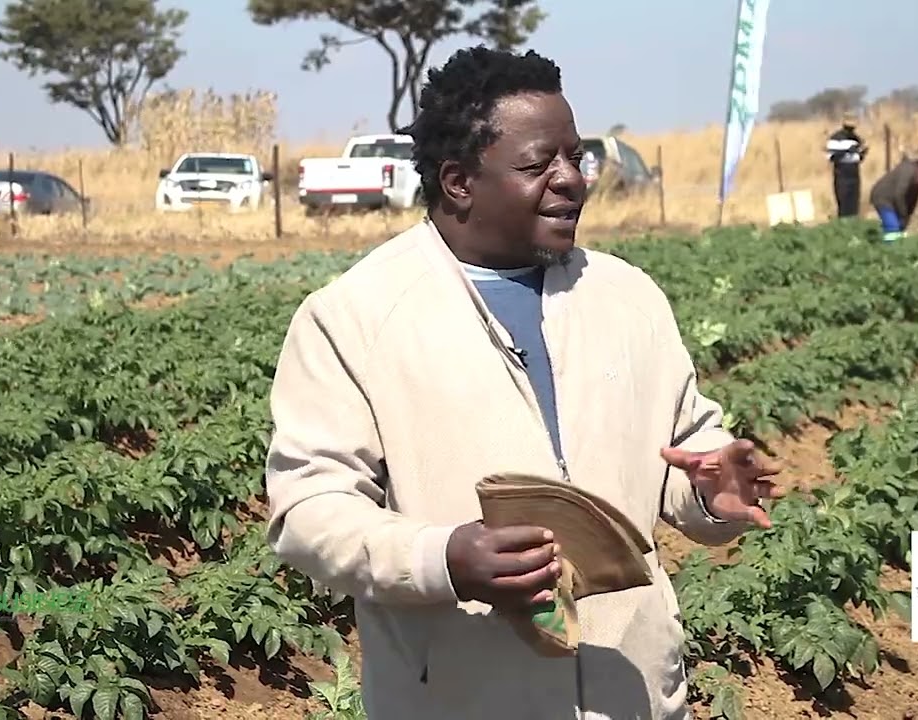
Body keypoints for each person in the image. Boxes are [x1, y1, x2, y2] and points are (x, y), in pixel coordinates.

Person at [263, 45, 783, 720]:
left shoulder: (627, 296)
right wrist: (443, 559)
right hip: (460, 698)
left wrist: (713, 488)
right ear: (458, 182)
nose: (572, 180)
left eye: (577, 156)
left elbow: (682, 452)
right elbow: (309, 513)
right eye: (541, 164)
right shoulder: (356, 316)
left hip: (632, 692)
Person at [868, 147, 918, 242]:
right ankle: (889, 251)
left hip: (897, 200)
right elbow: (899, 193)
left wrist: (908, 215)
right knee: (893, 228)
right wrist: (903, 213)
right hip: (883, 197)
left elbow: (915, 197)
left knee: (899, 227)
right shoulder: (909, 170)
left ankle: (893, 245)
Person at [825, 112, 868, 218]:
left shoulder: (856, 138)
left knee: (854, 205)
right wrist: (847, 151)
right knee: (843, 205)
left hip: (854, 173)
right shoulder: (836, 138)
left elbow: (858, 158)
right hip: (841, 174)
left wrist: (862, 153)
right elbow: (832, 157)